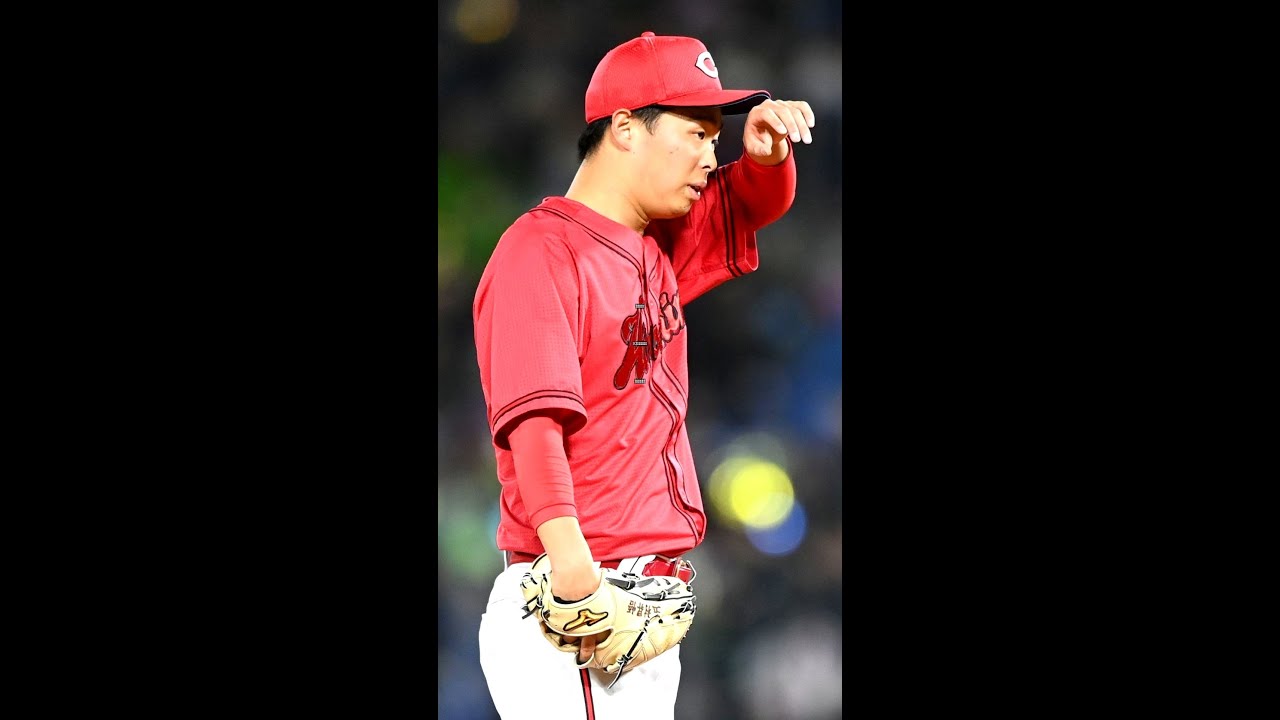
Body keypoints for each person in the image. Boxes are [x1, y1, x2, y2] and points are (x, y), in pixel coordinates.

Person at [472, 30, 816, 719]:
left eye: (714, 137)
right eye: (695, 133)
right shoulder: (542, 251)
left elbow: (750, 205)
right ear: (626, 128)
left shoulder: (651, 246)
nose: (710, 154)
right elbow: (534, 424)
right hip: (574, 596)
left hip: (638, 597)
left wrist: (767, 156)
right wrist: (573, 571)